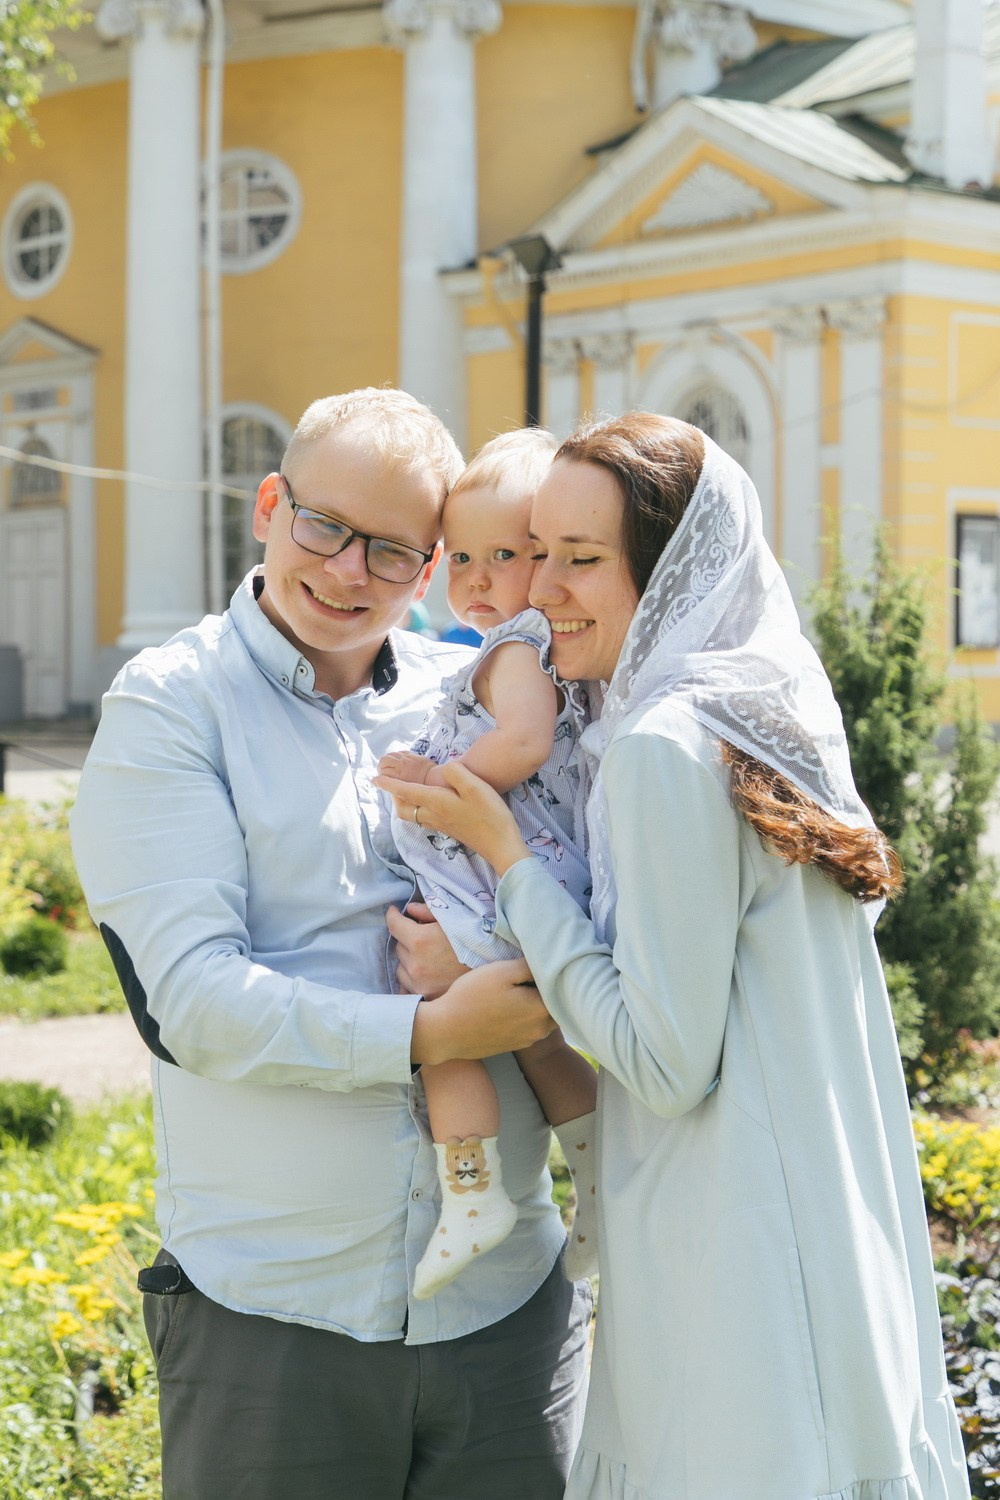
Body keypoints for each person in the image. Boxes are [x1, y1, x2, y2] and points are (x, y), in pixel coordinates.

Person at [375, 413, 972, 1500]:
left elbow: (661, 1061)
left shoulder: (657, 750)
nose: (539, 590)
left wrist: (504, 862)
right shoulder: (763, 707)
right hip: (827, 1227)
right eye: (534, 550)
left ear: (670, 573)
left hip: (729, 1257)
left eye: (582, 560)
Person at [69, 389, 592, 1500]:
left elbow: (605, 912)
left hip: (507, 1319)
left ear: (436, 563)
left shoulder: (482, 700)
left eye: (394, 551)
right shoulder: (172, 707)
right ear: (270, 503)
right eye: (324, 526)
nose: (351, 571)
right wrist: (432, 1028)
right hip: (277, 1322)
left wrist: (507, 957)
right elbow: (195, 1005)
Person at [380, 429, 598, 1300]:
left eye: (502, 554)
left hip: (501, 874)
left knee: (434, 1016)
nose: (473, 578)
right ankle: (597, 1182)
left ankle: (471, 1196)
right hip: (536, 872)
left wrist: (439, 785)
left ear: (543, 557)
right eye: (458, 555)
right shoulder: (540, 648)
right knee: (540, 1041)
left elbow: (524, 741)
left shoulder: (516, 647)